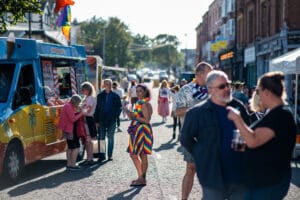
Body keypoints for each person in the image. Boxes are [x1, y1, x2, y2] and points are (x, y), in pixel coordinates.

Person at [180, 70, 250, 199]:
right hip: (213, 177)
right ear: (211, 89)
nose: (227, 89)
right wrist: (201, 154)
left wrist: (240, 151)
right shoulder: (197, 113)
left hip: (239, 177)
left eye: (228, 84)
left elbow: (247, 131)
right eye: (222, 86)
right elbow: (185, 138)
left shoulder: (238, 106)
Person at [227, 71, 297, 200]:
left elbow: (254, 141)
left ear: (267, 92)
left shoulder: (281, 116)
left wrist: (237, 119)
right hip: (260, 181)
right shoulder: (273, 114)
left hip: (268, 182)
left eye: (258, 91)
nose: (256, 95)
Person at [174, 61, 213, 200]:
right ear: (200, 74)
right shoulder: (186, 90)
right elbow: (177, 112)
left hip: (211, 137)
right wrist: (196, 111)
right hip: (191, 137)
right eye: (209, 73)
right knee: (191, 168)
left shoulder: (213, 89)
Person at [125, 83, 153, 187]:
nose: (138, 93)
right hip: (137, 130)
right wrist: (130, 114)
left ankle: (142, 178)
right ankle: (140, 177)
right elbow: (137, 116)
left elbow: (146, 120)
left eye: (140, 91)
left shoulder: (145, 104)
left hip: (142, 130)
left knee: (141, 154)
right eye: (137, 91)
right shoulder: (139, 103)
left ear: (145, 92)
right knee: (134, 154)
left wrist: (133, 116)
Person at [94, 79, 122, 161]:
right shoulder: (100, 96)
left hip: (112, 120)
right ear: (104, 85)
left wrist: (115, 115)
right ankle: (102, 156)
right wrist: (96, 121)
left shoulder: (115, 96)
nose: (108, 85)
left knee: (110, 138)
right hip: (101, 120)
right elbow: (97, 109)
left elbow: (119, 107)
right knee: (101, 137)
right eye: (106, 84)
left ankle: (110, 155)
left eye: (109, 84)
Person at [58, 94, 85, 171]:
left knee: (70, 147)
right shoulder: (69, 106)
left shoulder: (67, 105)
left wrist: (78, 109)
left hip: (67, 129)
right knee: (75, 147)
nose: (78, 105)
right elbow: (73, 119)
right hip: (71, 129)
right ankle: (73, 165)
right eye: (78, 103)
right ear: (75, 102)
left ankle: (69, 164)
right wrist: (81, 113)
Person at [80, 81, 97, 166]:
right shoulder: (87, 97)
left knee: (88, 140)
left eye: (83, 90)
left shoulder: (90, 98)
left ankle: (90, 159)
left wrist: (80, 111)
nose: (82, 91)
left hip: (88, 119)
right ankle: (89, 158)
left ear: (88, 90)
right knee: (87, 141)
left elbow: (88, 109)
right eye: (82, 90)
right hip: (87, 119)